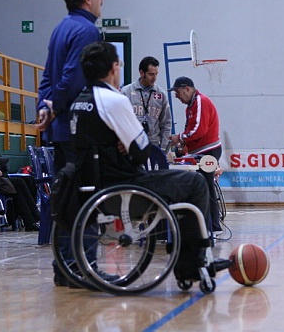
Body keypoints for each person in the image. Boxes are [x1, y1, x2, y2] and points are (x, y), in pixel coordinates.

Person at [70, 41, 231, 281]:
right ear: (113, 68)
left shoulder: (78, 101)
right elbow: (142, 151)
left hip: (93, 185)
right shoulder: (115, 99)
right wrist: (130, 143)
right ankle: (191, 262)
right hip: (126, 185)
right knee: (195, 183)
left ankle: (187, 256)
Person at [34, 0, 109, 284]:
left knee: (67, 200)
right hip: (80, 129)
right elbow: (73, 77)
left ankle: (65, 267)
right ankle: (83, 267)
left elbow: (48, 76)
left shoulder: (60, 28)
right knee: (87, 199)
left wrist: (44, 106)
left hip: (60, 131)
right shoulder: (88, 30)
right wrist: (54, 107)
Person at [168, 76, 223, 235]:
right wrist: (183, 145)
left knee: (206, 188)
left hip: (208, 151)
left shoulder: (200, 101)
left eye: (178, 92)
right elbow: (191, 132)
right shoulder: (190, 107)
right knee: (202, 187)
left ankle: (213, 226)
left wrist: (179, 137)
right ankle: (206, 225)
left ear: (187, 89)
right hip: (199, 151)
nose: (177, 96)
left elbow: (199, 130)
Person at [121, 56, 172, 151]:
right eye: (151, 74)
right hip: (131, 144)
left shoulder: (161, 94)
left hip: (153, 145)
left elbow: (166, 124)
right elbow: (120, 121)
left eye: (156, 74)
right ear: (142, 73)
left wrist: (164, 148)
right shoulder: (126, 92)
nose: (154, 78)